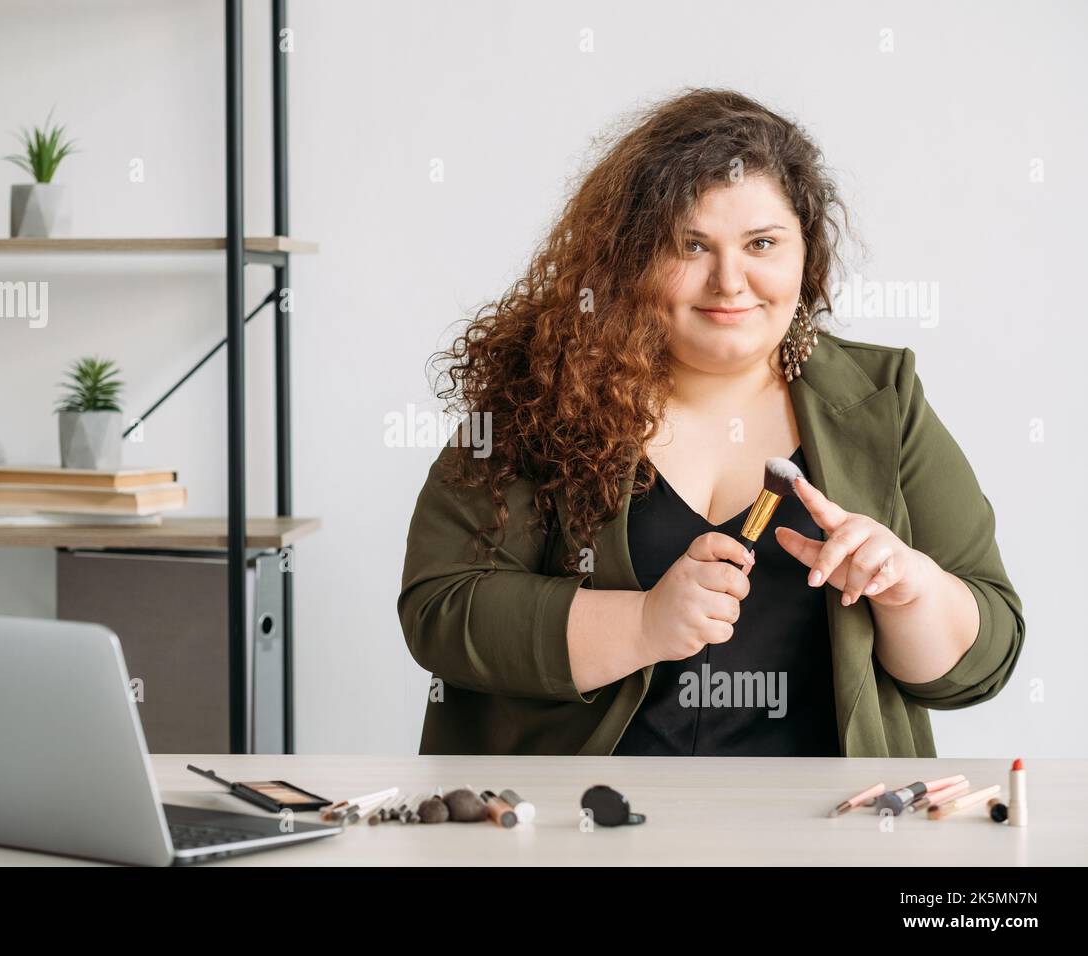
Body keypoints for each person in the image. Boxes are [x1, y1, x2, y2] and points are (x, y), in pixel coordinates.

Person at [397, 88, 1024, 757]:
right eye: (692, 245)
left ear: (805, 255)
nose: (730, 281)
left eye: (762, 243)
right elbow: (441, 608)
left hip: (824, 833)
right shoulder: (545, 390)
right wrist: (641, 624)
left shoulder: (883, 398)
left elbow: (983, 661)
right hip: (580, 826)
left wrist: (908, 588)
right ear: (632, 258)